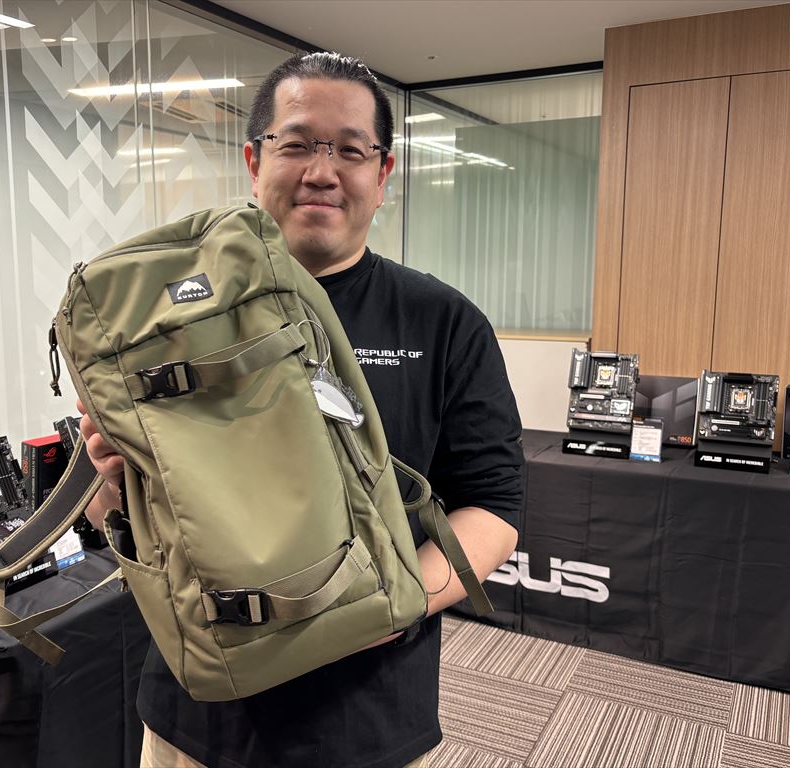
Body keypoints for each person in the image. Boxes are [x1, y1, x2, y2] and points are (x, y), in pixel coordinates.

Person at [79, 52, 524, 768]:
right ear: (254, 162)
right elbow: (123, 523)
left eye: (351, 149)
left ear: (383, 174)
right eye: (297, 144)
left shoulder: (442, 322)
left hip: (368, 718)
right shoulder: (163, 323)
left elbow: (494, 507)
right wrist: (108, 483)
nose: (322, 171)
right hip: (197, 720)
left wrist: (399, 600)